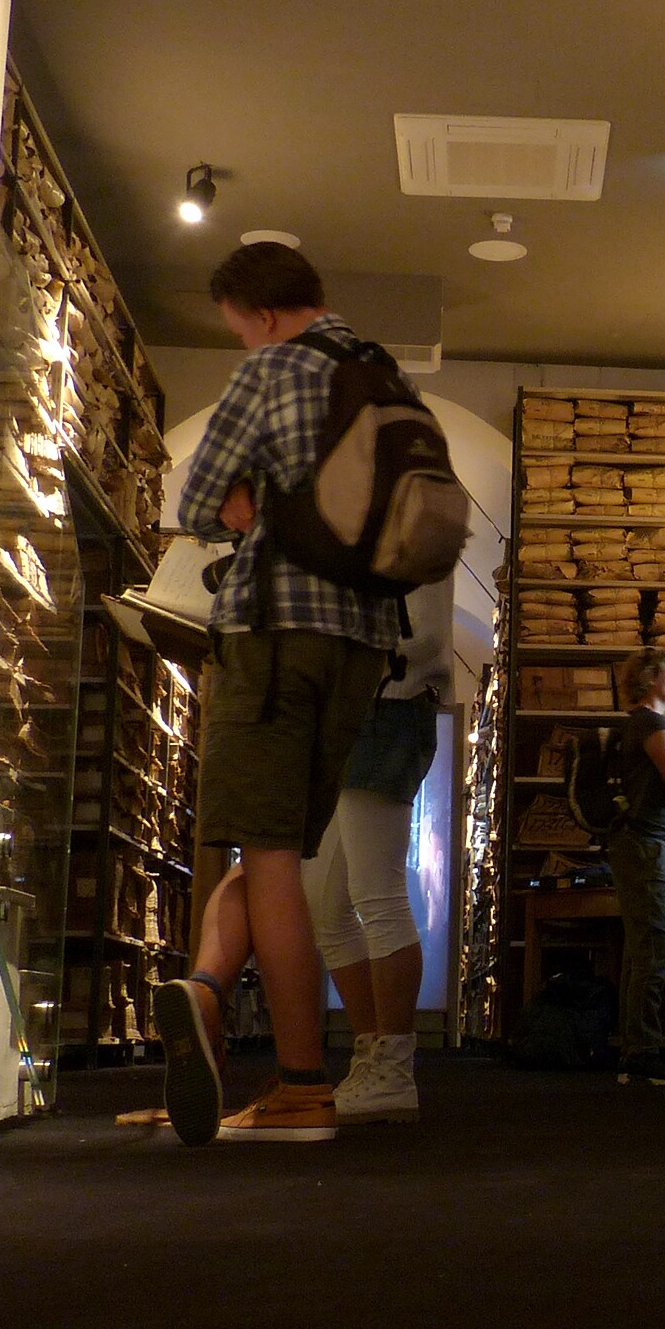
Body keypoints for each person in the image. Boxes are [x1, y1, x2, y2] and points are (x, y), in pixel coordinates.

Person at [152, 242, 403, 1145]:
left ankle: (301, 1084)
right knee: (284, 848)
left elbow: (193, 501)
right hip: (363, 646)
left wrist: (236, 497)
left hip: (276, 631)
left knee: (264, 854)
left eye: (236, 328)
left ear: (258, 314)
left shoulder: (271, 371)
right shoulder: (382, 376)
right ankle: (207, 993)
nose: (241, 341)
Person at [309, 573, 454, 1124]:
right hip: (362, 706)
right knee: (328, 906)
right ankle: (374, 1056)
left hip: (389, 703)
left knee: (377, 895)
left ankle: (393, 1070)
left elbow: (422, 631)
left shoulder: (412, 523)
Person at [606, 645, 665, 1086]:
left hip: (639, 846)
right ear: (650, 679)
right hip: (648, 847)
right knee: (654, 950)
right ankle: (643, 1053)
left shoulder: (639, 724)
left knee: (641, 949)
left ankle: (635, 1051)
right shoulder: (652, 724)